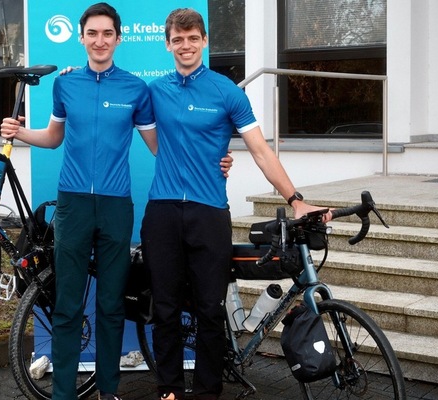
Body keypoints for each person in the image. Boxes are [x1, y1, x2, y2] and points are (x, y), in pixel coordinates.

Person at [0, 3, 221, 399]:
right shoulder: (65, 85)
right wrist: (20, 132)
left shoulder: (136, 89)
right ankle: (64, 393)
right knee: (67, 304)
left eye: (107, 34)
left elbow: (163, 147)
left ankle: (108, 392)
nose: (100, 41)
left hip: (117, 206)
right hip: (73, 205)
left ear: (118, 39)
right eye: (93, 33)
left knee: (111, 305)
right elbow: (54, 138)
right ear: (81, 37)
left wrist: (216, 157)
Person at [140, 8, 331, 400]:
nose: (186, 45)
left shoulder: (227, 91)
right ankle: (169, 389)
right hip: (161, 211)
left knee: (210, 308)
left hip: (209, 211)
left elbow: (261, 151)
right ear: (168, 44)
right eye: (178, 39)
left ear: (205, 41)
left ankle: (208, 391)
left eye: (193, 38)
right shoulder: (154, 91)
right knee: (166, 308)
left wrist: (295, 199)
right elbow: (140, 127)